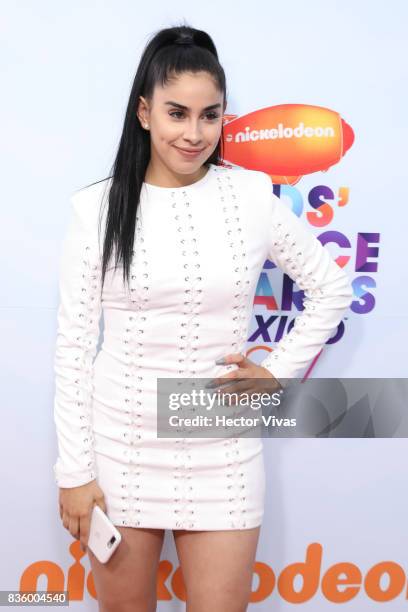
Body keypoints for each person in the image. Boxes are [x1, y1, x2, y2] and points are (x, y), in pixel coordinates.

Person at [53, 23, 353, 612]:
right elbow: (72, 347)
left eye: (210, 116)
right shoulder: (96, 208)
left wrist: (276, 371)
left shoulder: (250, 196)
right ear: (144, 113)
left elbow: (330, 286)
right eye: (176, 113)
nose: (194, 134)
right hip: (120, 449)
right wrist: (74, 471)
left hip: (222, 447)